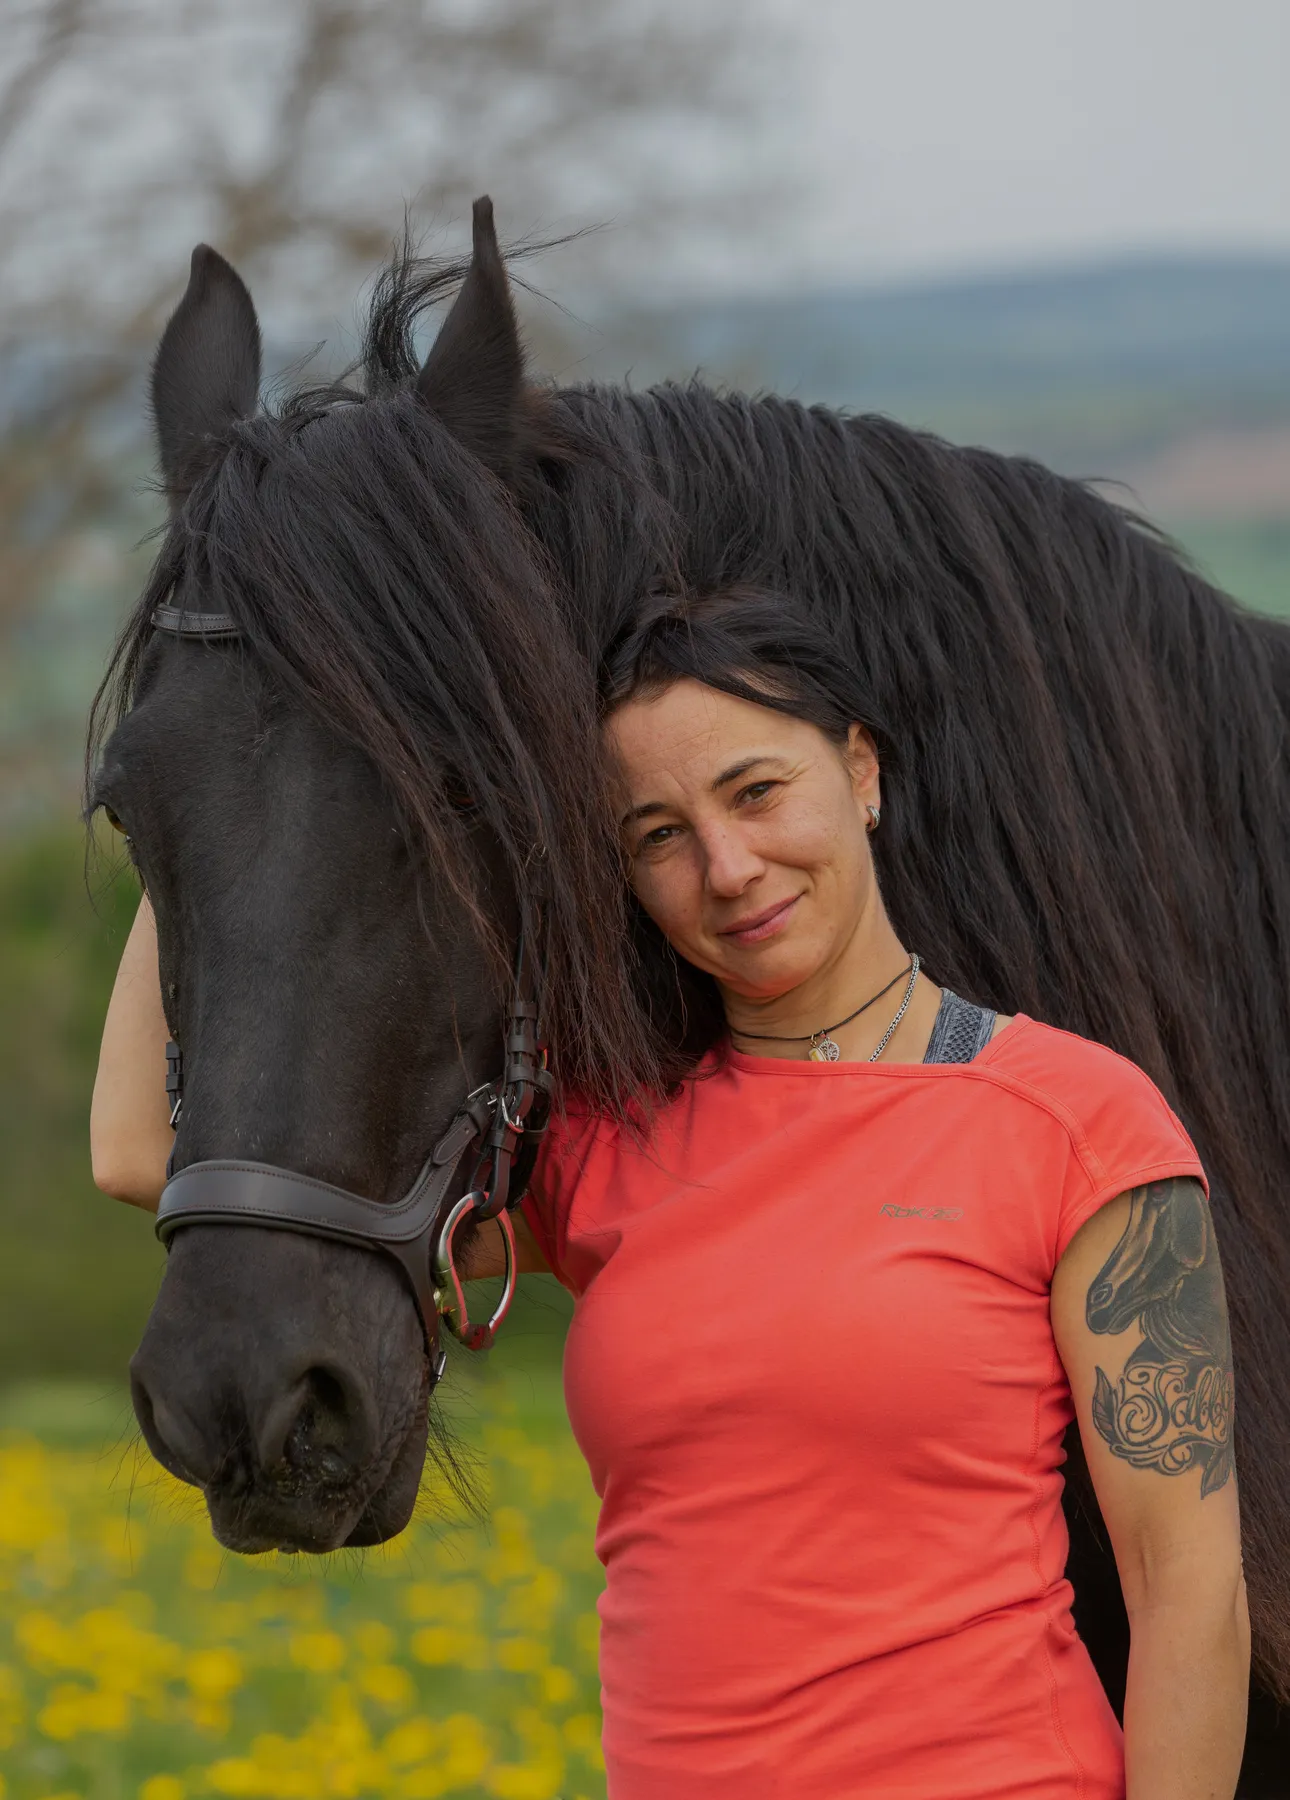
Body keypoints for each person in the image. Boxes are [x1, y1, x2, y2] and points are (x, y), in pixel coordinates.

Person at [93, 587, 1249, 1800]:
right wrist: (207, 803)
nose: (730, 866)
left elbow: (1188, 1593)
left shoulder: (1074, 1119)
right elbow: (135, 1151)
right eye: (657, 834)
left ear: (861, 769)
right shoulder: (607, 1138)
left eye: (757, 792)